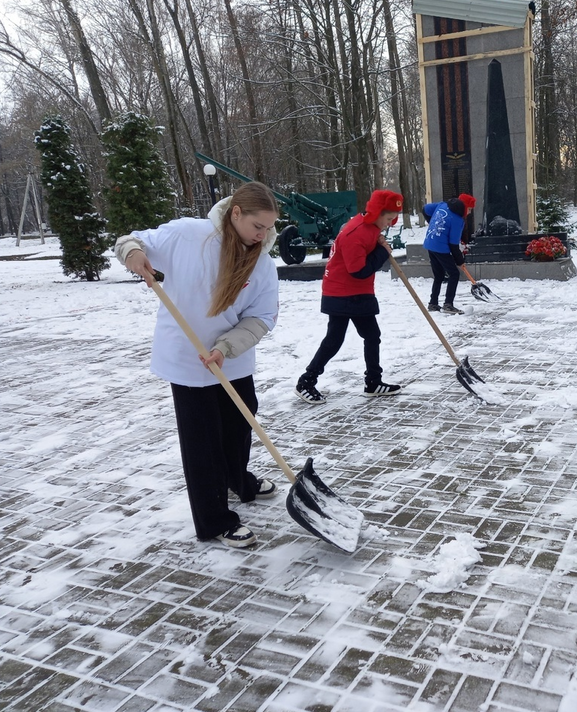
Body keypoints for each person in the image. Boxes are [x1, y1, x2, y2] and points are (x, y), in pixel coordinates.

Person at [116, 182, 281, 549]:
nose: (264, 235)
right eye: (258, 226)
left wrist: (225, 347)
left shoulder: (263, 263)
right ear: (235, 214)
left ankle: (239, 480)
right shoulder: (188, 235)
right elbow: (132, 240)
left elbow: (261, 317)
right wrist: (132, 253)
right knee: (202, 440)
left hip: (231, 358)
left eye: (269, 227)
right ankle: (214, 520)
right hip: (187, 359)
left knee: (241, 423)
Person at [294, 189, 404, 404]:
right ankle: (306, 381)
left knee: (372, 335)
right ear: (376, 213)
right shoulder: (357, 233)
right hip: (342, 292)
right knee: (335, 340)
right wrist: (383, 252)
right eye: (388, 219)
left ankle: (373, 382)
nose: (390, 224)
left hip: (356, 292)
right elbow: (358, 270)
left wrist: (378, 242)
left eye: (393, 219)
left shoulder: (368, 226)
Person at [422, 193, 475, 314]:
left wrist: (432, 223)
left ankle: (433, 303)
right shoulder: (457, 220)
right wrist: (460, 261)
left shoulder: (442, 204)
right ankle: (448, 304)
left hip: (430, 243)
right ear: (465, 207)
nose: (470, 212)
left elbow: (425, 209)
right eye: (470, 209)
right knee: (454, 274)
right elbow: (453, 244)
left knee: (439, 275)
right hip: (441, 247)